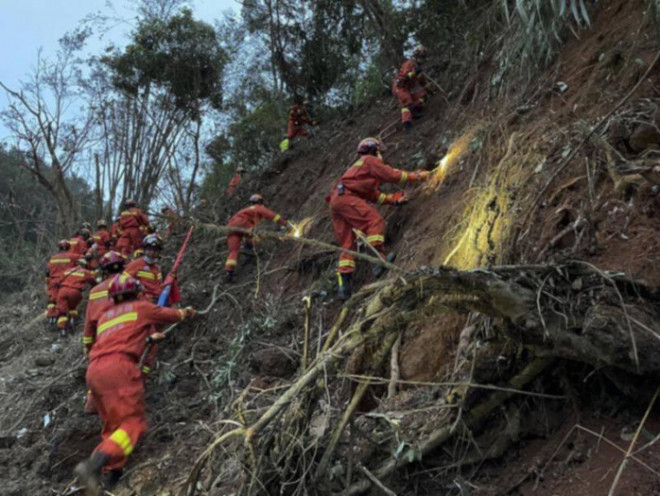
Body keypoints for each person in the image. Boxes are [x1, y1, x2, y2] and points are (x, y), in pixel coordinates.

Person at [74, 274, 195, 494]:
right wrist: (186, 312)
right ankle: (93, 464)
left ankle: (111, 477)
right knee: (133, 424)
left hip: (94, 371)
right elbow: (173, 315)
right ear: (137, 291)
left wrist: (147, 340)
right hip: (120, 367)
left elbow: (119, 337)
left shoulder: (105, 315)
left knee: (113, 425)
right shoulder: (141, 307)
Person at [327, 137, 429, 299]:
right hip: (346, 197)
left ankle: (344, 288)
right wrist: (416, 176)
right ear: (374, 150)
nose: (382, 156)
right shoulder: (369, 160)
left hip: (336, 200)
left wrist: (394, 199)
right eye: (380, 152)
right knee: (375, 221)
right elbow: (392, 175)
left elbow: (374, 196)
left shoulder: (359, 172)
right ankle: (377, 259)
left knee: (347, 244)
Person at [82, 251, 127, 414]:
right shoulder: (130, 284)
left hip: (101, 340)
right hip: (124, 336)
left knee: (98, 370)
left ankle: (93, 403)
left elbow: (89, 325)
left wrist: (88, 346)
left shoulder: (95, 292)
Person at [224, 194, 290, 283]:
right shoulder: (257, 207)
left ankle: (229, 272)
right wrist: (285, 223)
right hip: (242, 223)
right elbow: (272, 215)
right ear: (260, 202)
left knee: (233, 251)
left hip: (230, 227)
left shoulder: (246, 210)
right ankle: (250, 248)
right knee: (257, 235)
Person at [392, 45, 429, 130]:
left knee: (422, 95)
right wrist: (414, 72)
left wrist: (428, 87)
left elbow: (423, 82)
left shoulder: (419, 68)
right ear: (416, 56)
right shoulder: (409, 64)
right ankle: (407, 123)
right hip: (400, 87)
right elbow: (405, 77)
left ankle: (415, 109)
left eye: (423, 57)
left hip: (408, 88)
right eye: (420, 57)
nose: (422, 59)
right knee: (407, 100)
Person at [56, 258, 97, 334]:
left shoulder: (68, 270)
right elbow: (93, 281)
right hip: (75, 292)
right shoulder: (86, 272)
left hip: (63, 290)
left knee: (62, 312)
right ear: (85, 265)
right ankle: (72, 322)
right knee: (72, 308)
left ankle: (62, 330)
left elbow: (59, 281)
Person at [45, 240, 81, 326]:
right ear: (68, 247)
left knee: (52, 300)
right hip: (66, 282)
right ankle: (66, 320)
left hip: (53, 281)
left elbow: (47, 271)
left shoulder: (53, 258)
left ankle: (51, 318)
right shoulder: (73, 256)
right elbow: (83, 259)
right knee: (65, 301)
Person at [123, 234, 164, 302]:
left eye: (155, 250)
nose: (152, 253)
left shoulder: (157, 268)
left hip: (157, 302)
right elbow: (123, 281)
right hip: (141, 302)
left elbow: (159, 286)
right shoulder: (135, 264)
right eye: (149, 250)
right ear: (144, 250)